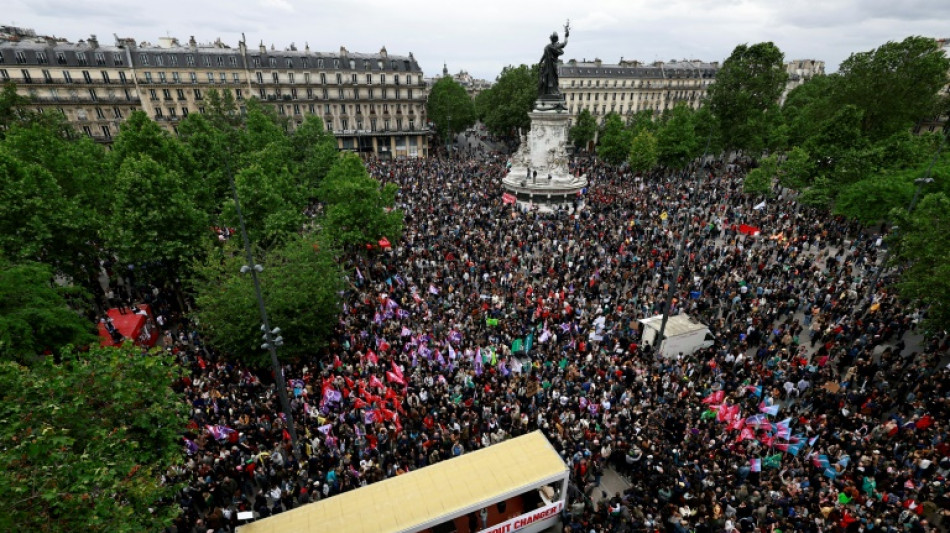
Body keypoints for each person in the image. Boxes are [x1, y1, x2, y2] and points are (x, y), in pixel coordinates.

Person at [538, 26, 569, 97]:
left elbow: (544, 56)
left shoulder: (549, 46)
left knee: (551, 77)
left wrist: (540, 62)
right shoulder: (551, 46)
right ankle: (550, 91)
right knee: (551, 77)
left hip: (550, 65)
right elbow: (565, 43)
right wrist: (566, 36)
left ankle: (551, 91)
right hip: (550, 65)